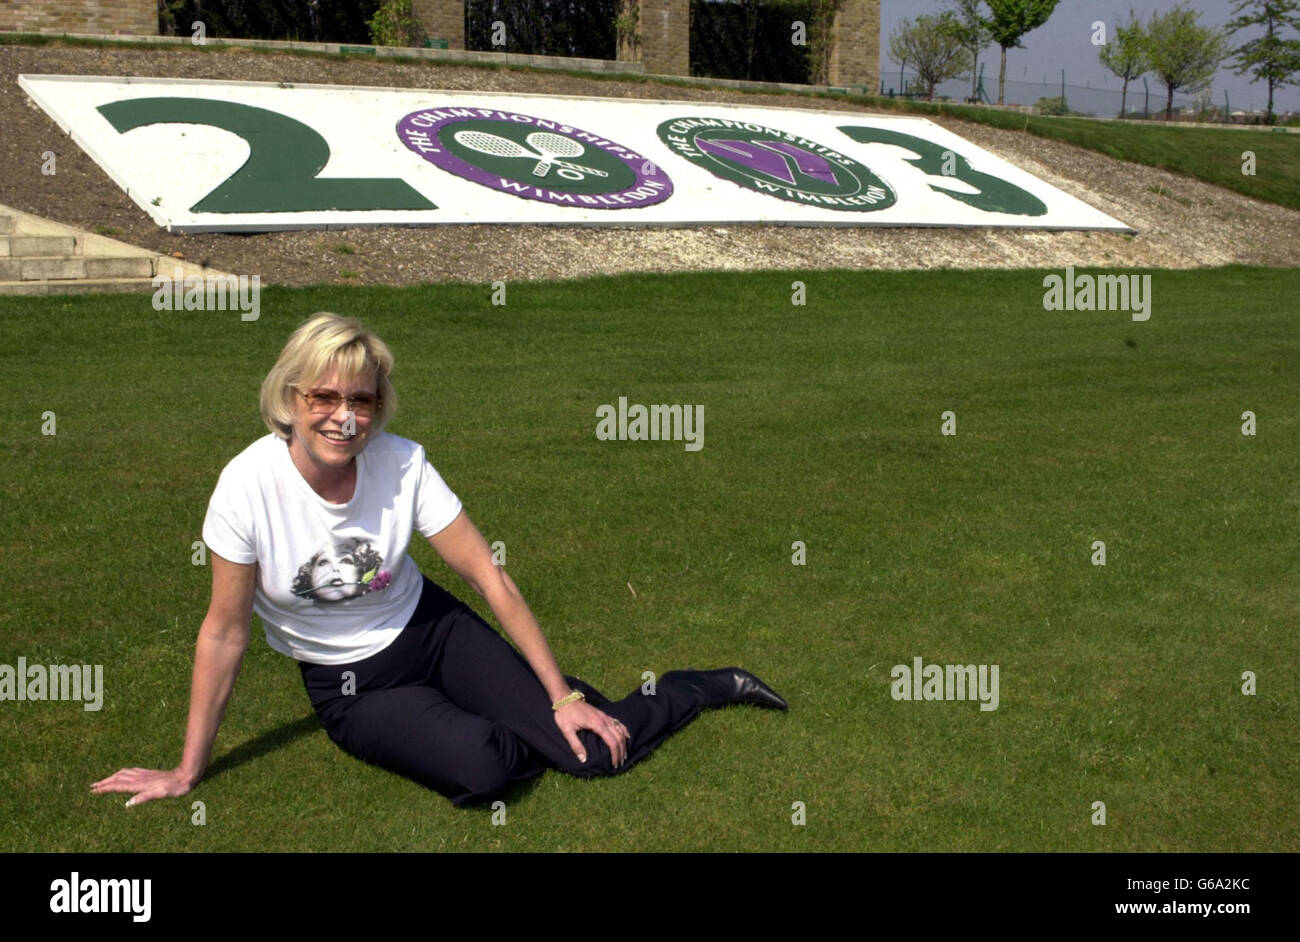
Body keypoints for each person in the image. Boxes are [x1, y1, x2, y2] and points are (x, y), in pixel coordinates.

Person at [91, 312, 787, 809]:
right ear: (291, 399)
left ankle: (699, 686)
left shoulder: (403, 463)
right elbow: (224, 631)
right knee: (484, 771)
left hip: (435, 631)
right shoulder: (246, 486)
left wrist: (563, 697)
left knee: (593, 755)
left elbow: (488, 573)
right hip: (353, 684)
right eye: (324, 397)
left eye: (360, 400)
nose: (343, 417)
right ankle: (519, 717)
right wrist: (187, 770)